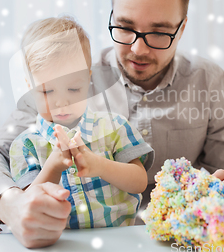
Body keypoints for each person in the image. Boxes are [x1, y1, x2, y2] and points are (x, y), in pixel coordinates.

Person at [0, 0, 224, 249]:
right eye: (125, 27)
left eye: (158, 32)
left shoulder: (209, 81)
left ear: (182, 27)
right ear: (112, 16)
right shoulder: (66, 75)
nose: (138, 48)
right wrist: (11, 204)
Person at [9, 16, 154, 230]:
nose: (61, 102)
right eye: (47, 91)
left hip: (119, 241)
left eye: (73, 89)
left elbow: (140, 181)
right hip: (60, 246)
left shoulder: (114, 127)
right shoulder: (26, 145)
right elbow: (28, 205)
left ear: (88, 79)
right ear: (29, 86)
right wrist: (54, 165)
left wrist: (99, 165)